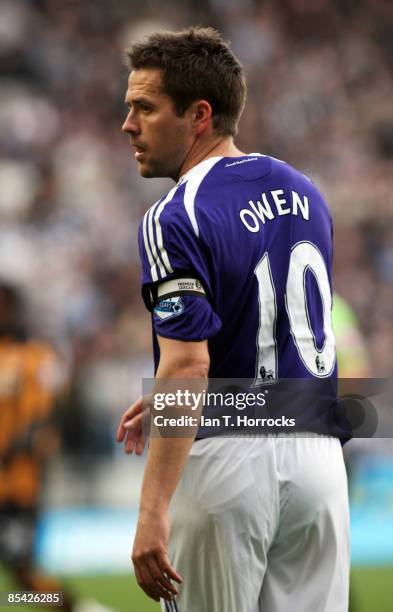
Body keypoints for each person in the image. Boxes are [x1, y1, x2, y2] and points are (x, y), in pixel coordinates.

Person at [117, 27, 349, 612]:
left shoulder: (172, 216)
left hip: (227, 466)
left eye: (144, 107)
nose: (128, 125)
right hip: (320, 460)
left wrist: (151, 512)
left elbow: (190, 367)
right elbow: (271, 328)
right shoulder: (306, 192)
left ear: (199, 115)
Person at [0, 282, 114, 612]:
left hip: (17, 485)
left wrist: (21, 447)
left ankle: (79, 609)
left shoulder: (35, 356)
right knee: (18, 575)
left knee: (23, 574)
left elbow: (45, 416)